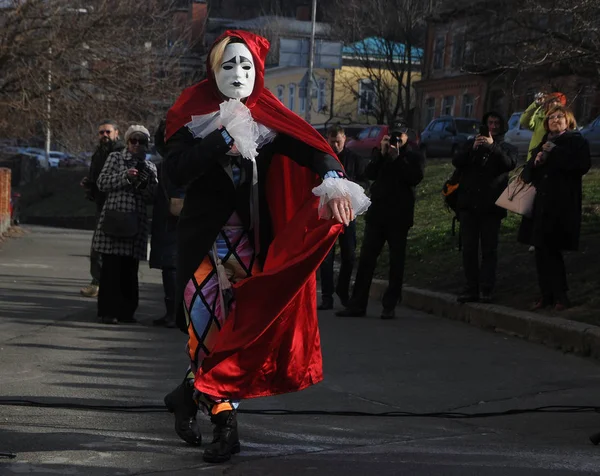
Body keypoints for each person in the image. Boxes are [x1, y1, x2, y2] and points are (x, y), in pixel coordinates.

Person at [162, 30, 369, 463]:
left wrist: (333, 177)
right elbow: (174, 173)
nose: (238, 73)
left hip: (251, 246)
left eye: (246, 65)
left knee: (236, 336)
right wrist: (221, 137)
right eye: (228, 64)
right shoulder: (190, 114)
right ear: (212, 69)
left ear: (258, 72)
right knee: (205, 335)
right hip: (202, 246)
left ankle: (197, 401)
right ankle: (223, 422)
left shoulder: (269, 118)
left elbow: (314, 148)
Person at [336, 127, 424, 319]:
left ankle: (389, 305)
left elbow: (414, 177)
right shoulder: (381, 153)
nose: (395, 141)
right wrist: (382, 155)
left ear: (407, 137)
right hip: (377, 216)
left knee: (396, 262)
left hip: (399, 217)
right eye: (392, 137)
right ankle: (357, 304)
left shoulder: (413, 156)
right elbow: (370, 173)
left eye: (398, 137)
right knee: (366, 260)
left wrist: (397, 158)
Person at [518, 106, 591, 311]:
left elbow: (582, 166)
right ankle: (545, 295)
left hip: (561, 205)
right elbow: (526, 175)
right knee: (540, 251)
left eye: (560, 117)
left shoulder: (576, 141)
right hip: (540, 206)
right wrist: (535, 163)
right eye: (551, 117)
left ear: (569, 121)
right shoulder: (542, 143)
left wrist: (555, 151)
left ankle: (561, 296)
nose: (555, 120)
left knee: (553, 251)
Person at [92, 125, 157, 325]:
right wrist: (125, 176)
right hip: (114, 218)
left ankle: (127, 312)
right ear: (127, 141)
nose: (137, 145)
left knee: (130, 270)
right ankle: (108, 311)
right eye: (133, 141)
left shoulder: (150, 166)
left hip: (135, 223)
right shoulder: (115, 158)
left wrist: (145, 185)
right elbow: (102, 183)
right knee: (111, 268)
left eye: (141, 141)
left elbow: (152, 197)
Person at [451, 112, 518, 303]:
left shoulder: (506, 147)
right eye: (490, 123)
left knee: (489, 249)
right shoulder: (471, 144)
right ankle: (471, 287)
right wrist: (473, 148)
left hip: (492, 207)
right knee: (469, 249)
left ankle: (487, 288)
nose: (493, 126)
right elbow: (457, 161)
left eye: (497, 123)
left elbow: (508, 164)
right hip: (468, 206)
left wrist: (492, 147)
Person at [317, 124, 366, 310]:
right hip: (328, 216)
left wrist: (349, 188)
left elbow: (364, 182)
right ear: (327, 140)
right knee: (326, 258)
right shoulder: (323, 159)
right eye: (332, 141)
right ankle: (327, 296)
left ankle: (342, 290)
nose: (336, 144)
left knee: (349, 255)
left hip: (348, 214)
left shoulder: (354, 160)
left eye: (339, 141)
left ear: (345, 139)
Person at [80, 120, 124, 298]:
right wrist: (88, 183)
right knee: (98, 247)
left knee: (106, 247)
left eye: (108, 132)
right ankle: (98, 282)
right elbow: (96, 175)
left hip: (115, 205)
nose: (104, 136)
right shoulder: (100, 152)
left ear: (116, 133)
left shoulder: (119, 152)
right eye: (101, 133)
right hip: (101, 204)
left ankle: (102, 283)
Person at [149, 121, 184, 328]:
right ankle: (172, 312)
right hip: (167, 218)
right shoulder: (163, 165)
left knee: (172, 267)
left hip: (178, 219)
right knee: (168, 267)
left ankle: (175, 313)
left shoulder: (179, 161)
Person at [520, 92, 566, 162]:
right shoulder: (539, 118)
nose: (553, 103)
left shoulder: (565, 121)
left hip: (556, 162)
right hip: (535, 161)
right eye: (551, 101)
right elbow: (524, 121)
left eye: (557, 101)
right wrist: (536, 105)